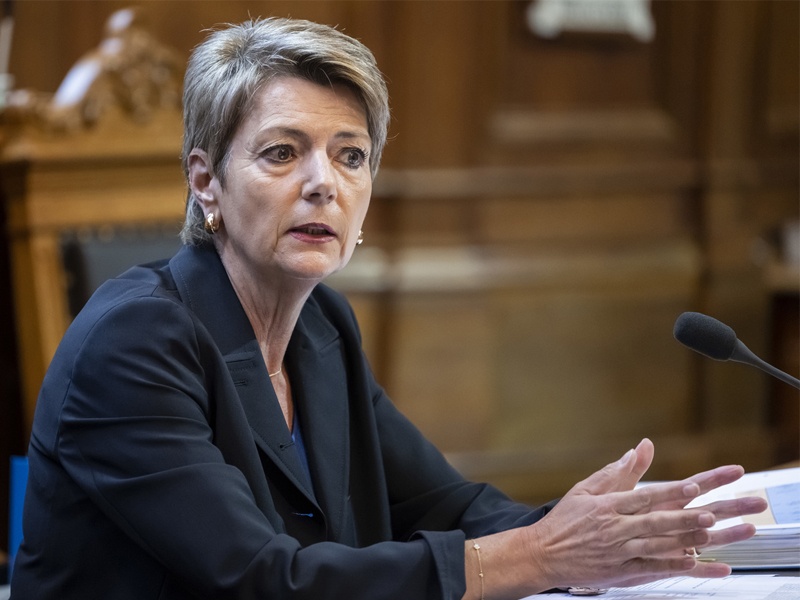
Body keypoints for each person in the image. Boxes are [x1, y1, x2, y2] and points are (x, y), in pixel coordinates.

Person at [10, 17, 767, 600]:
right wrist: (538, 556)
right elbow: (263, 580)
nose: (324, 183)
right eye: (282, 152)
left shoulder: (321, 326)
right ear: (205, 181)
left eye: (351, 155)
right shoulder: (134, 342)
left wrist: (610, 532)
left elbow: (445, 505)